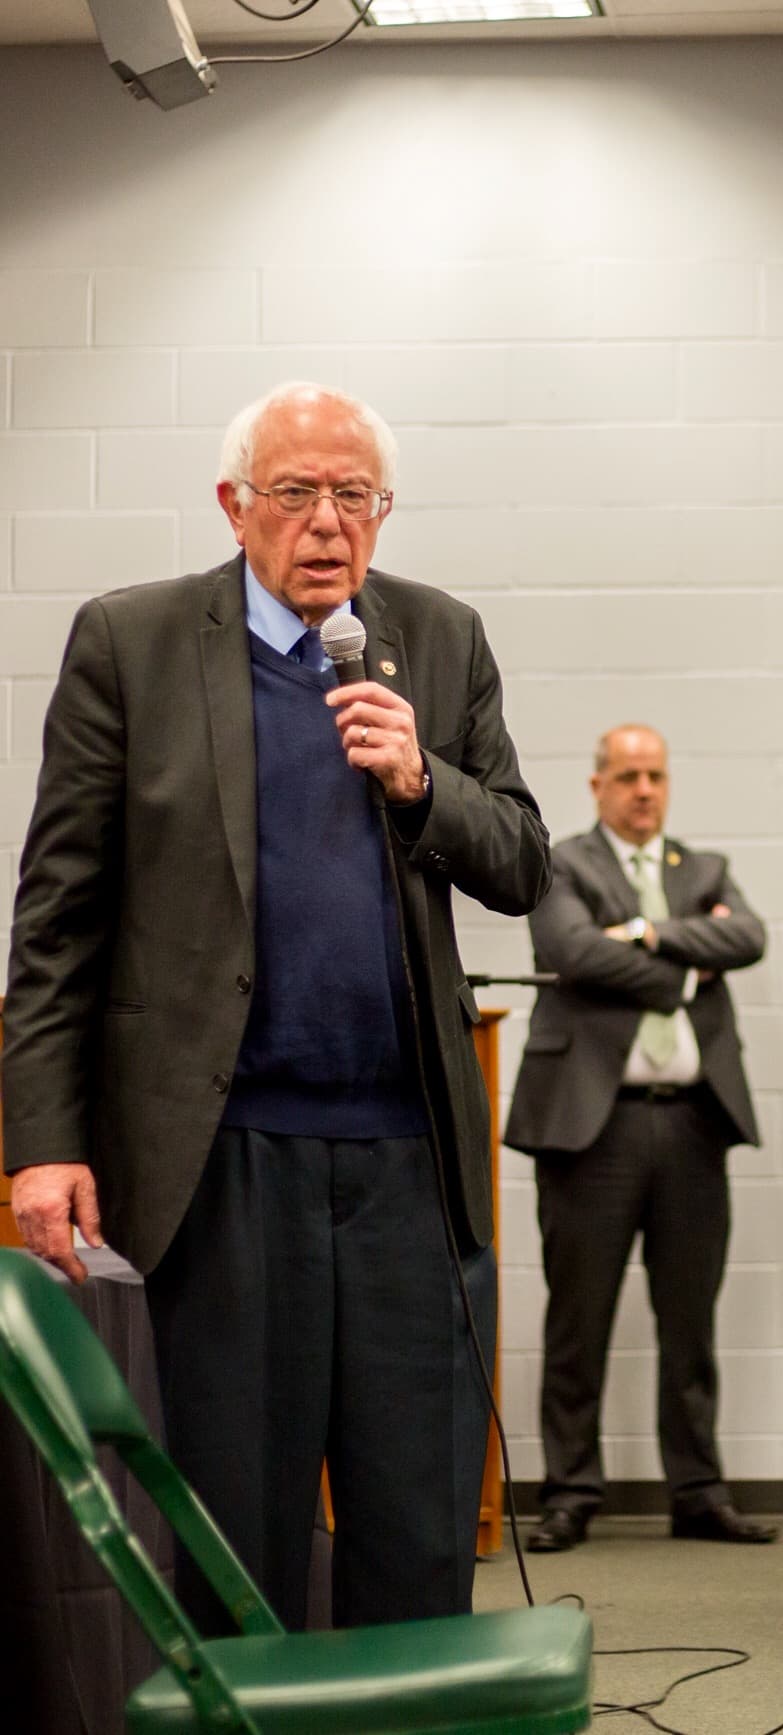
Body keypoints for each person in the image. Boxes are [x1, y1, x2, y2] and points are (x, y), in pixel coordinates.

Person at [3, 381, 550, 1633]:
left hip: (413, 1165)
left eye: (351, 496)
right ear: (234, 506)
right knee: (232, 1534)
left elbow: (521, 862)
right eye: (294, 493)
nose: (324, 522)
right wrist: (40, 1138)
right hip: (225, 1164)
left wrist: (422, 779)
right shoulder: (131, 641)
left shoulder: (440, 637)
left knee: (415, 1531)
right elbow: (57, 921)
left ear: (383, 510)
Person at [503, 725, 775, 1550]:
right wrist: (691, 964)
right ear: (597, 786)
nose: (644, 789)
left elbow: (750, 936)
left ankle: (697, 1490)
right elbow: (570, 950)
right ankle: (570, 1494)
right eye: (627, 775)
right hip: (596, 1126)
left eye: (655, 774)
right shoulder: (562, 861)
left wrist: (650, 936)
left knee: (689, 1322)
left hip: (693, 1123)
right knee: (578, 1320)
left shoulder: (706, 869)